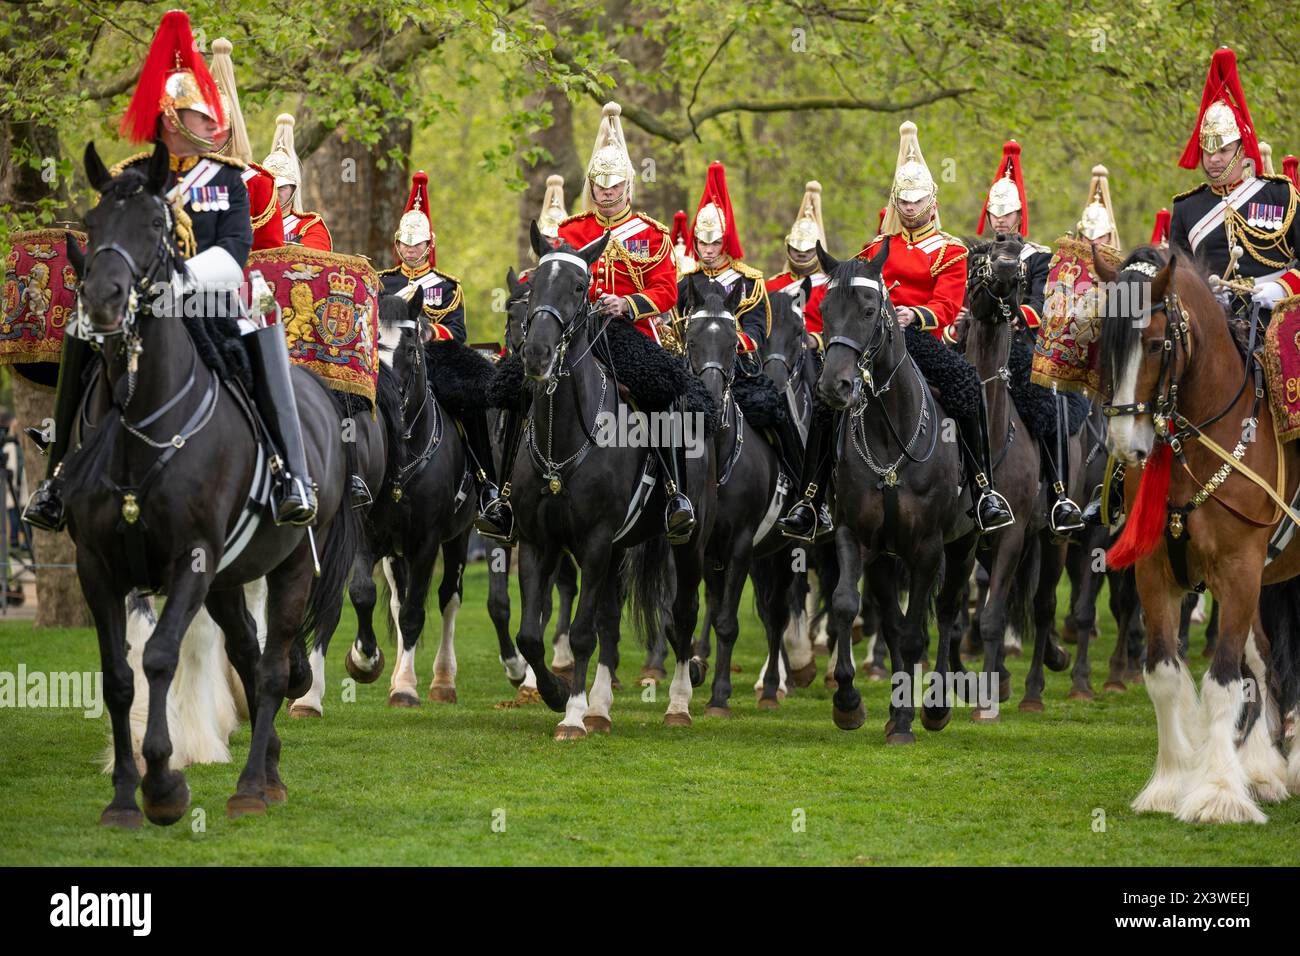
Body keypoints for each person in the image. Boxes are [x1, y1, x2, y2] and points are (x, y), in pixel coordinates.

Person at [24, 10, 315, 531]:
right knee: (78, 330)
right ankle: (57, 477)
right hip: (138, 308)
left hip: (206, 302)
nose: (215, 125)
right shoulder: (129, 177)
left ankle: (286, 470)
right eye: (204, 117)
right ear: (173, 117)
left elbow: (235, 251)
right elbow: (110, 245)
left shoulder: (227, 181)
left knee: (261, 335)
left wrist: (181, 280)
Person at [779, 120, 1013, 540]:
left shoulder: (949, 248)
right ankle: (810, 499)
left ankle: (982, 491)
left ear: (931, 199)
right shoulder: (871, 250)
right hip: (873, 345)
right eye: (903, 200)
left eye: (917, 199)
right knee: (828, 395)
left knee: (967, 386)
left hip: (922, 340)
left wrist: (912, 316)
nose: (909, 207)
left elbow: (945, 305)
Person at [477, 102, 694, 544]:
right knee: (517, 386)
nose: (607, 193)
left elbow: (666, 292)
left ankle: (674, 493)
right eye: (599, 186)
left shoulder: (652, 234)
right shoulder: (572, 231)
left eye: (614, 186)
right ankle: (502, 497)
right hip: (575, 332)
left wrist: (629, 303)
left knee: (663, 389)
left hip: (629, 331)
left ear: (628, 185)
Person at [971, 139, 1083, 533]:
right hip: (979, 341)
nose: (1001, 220)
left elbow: (1042, 303)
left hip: (1021, 344)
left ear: (1020, 213)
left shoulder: (1037, 255)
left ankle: (1058, 493)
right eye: (995, 213)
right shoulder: (977, 254)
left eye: (1008, 213)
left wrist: (1020, 318)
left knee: (1045, 397)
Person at [379, 170, 499, 515]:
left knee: (470, 404)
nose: (411, 250)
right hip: (391, 357)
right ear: (397, 244)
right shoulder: (381, 282)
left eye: (417, 244)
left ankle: (485, 484)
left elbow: (458, 332)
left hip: (435, 360)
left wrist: (432, 331)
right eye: (405, 243)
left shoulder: (447, 286)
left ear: (429, 245)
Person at [1168, 48, 1300, 319]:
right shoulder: (1186, 208)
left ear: (1242, 149)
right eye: (1208, 151)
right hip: (1215, 320)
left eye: (1224, 151)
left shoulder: (1280, 194)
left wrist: (1283, 287)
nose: (1214, 159)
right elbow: (1176, 277)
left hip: (1279, 313)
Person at [677, 161, 770, 356]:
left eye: (715, 243)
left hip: (737, 363)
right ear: (694, 242)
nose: (708, 250)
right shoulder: (685, 282)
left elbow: (757, 330)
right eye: (703, 243)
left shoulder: (748, 282)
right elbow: (676, 328)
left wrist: (725, 342)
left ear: (726, 243)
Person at [208, 37, 284, 251]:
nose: (208, 135)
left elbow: (270, 255)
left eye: (216, 129)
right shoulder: (176, 174)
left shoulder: (257, 184)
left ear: (232, 131)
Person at [766, 180, 830, 349]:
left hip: (819, 359)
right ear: (787, 247)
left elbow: (842, 330)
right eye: (796, 248)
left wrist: (816, 341)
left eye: (808, 250)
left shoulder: (830, 288)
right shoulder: (770, 286)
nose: (801, 253)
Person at [262, 113, 333, 250]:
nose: (275, 193)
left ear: (293, 190)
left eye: (281, 187)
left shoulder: (309, 226)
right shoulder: (248, 223)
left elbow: (313, 260)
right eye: (271, 187)